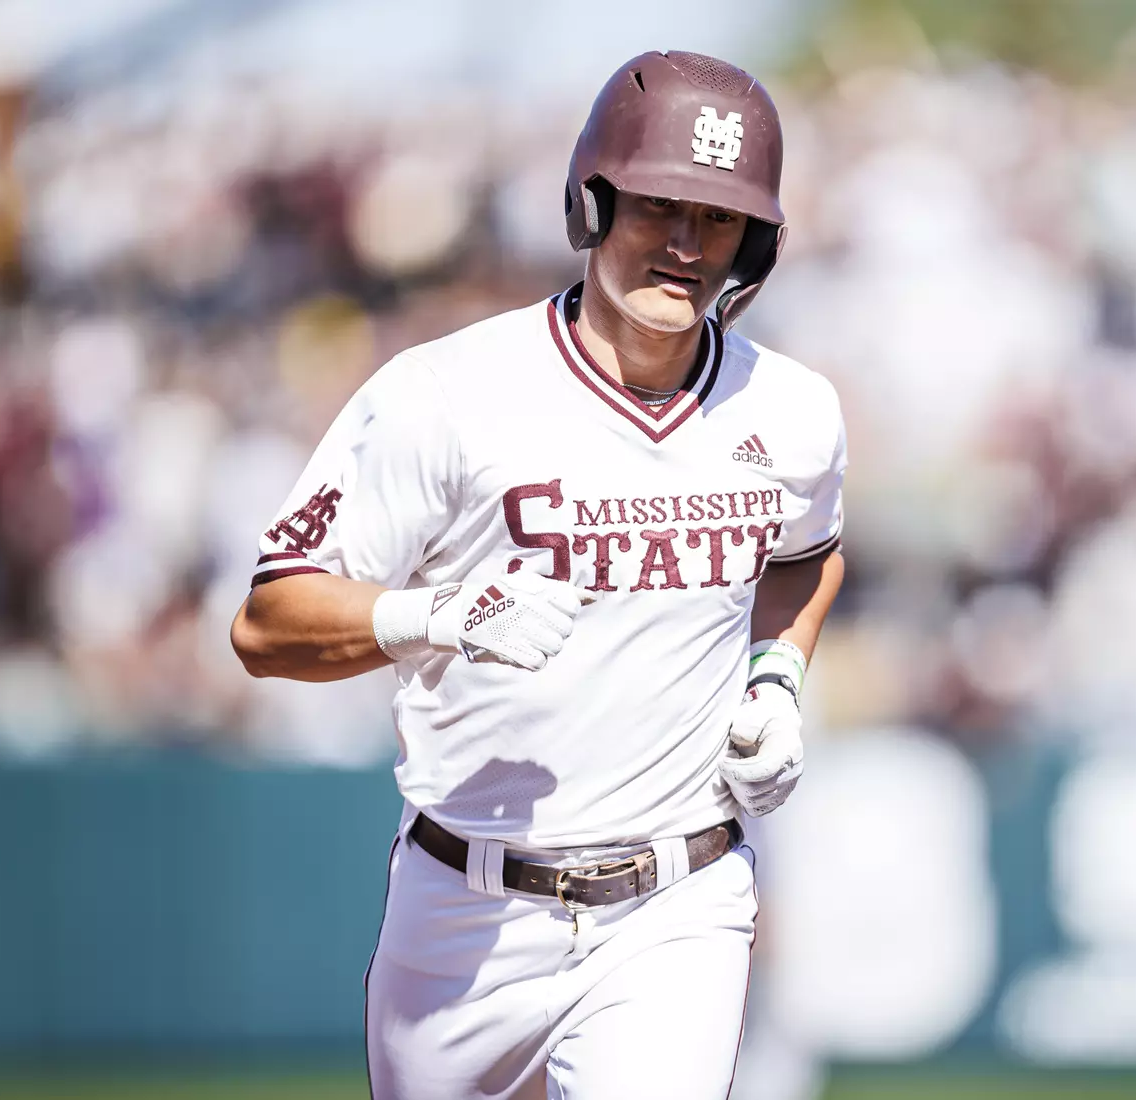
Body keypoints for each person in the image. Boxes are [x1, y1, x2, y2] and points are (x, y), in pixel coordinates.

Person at [229, 50, 846, 1100]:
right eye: (659, 206)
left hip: (678, 898)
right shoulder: (444, 393)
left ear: (756, 242)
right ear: (592, 202)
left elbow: (807, 555)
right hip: (462, 904)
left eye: (719, 219)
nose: (686, 245)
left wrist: (777, 678)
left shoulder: (790, 409)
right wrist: (436, 614)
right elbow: (267, 622)